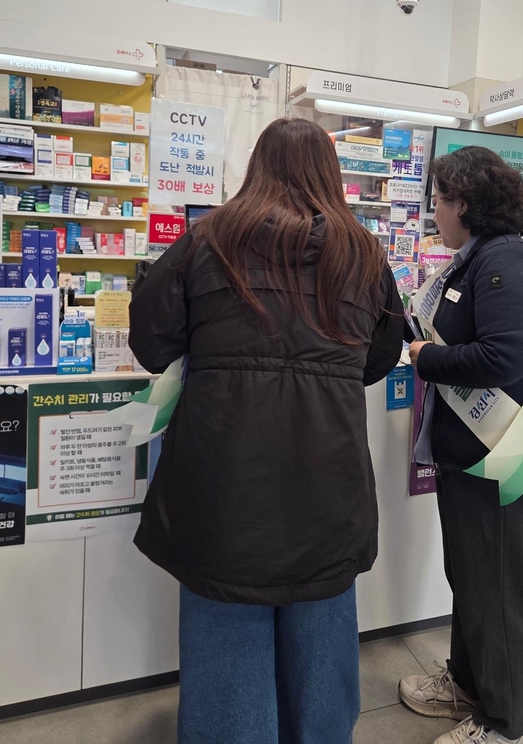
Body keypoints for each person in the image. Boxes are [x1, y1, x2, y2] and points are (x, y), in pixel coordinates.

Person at [129, 117, 403, 744]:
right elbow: (378, 361)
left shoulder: (209, 239)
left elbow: (151, 343)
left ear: (256, 166)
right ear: (331, 175)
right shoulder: (364, 254)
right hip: (328, 485)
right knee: (321, 641)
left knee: (226, 648)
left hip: (224, 487)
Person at [398, 146, 523, 744]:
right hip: (475, 455)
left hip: (510, 457)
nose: (434, 214)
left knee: (498, 590)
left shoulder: (507, 260)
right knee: (473, 578)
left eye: (439, 202)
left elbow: (504, 357)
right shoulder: (472, 262)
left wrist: (426, 357)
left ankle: (503, 723)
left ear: (465, 204)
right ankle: (469, 686)